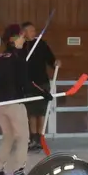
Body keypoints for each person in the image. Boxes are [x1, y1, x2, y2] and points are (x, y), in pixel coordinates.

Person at [0, 26, 31, 175]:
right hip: (14, 103)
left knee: (9, 136)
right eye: (21, 36)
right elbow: (25, 82)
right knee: (22, 137)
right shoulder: (18, 58)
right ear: (13, 39)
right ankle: (19, 173)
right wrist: (42, 92)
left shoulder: (2, 56)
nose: (24, 39)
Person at [21, 21, 56, 151]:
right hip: (28, 83)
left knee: (41, 112)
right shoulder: (22, 46)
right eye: (30, 31)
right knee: (31, 112)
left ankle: (40, 138)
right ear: (23, 33)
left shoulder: (41, 44)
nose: (33, 33)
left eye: (34, 31)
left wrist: (55, 63)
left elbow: (51, 59)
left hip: (42, 83)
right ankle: (33, 138)